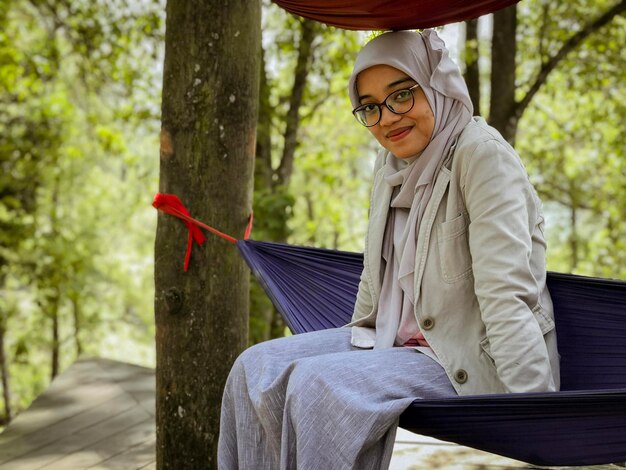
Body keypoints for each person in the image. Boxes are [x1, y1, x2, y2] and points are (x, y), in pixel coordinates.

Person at [218, 29, 560, 470]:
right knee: (254, 366)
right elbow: (376, 274)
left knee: (319, 385)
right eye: (371, 107)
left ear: (435, 86)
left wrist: (538, 411)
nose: (387, 117)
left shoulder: (482, 157)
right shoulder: (391, 164)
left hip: (464, 352)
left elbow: (507, 294)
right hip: (393, 339)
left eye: (402, 95)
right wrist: (353, 340)